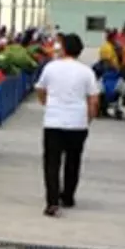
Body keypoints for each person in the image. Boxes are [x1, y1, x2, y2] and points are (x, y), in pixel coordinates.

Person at [35, 33, 98, 217]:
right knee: (73, 161)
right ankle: (68, 196)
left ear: (63, 48)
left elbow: (40, 89)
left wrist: (47, 103)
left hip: (53, 121)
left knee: (52, 163)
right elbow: (93, 100)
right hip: (78, 123)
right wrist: (89, 119)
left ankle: (52, 201)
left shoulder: (51, 68)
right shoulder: (87, 72)